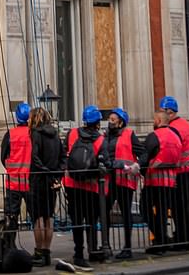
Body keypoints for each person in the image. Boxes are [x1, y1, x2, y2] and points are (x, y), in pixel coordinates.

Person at [63, 104, 107, 265]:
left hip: (72, 185)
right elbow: (105, 163)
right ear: (97, 123)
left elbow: (64, 154)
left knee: (76, 221)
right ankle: (93, 250)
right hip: (91, 186)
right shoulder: (100, 139)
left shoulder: (72, 133)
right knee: (91, 220)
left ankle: (78, 253)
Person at [159, 96, 189, 249]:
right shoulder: (184, 124)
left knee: (181, 208)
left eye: (162, 112)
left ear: (169, 112)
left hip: (183, 171)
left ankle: (184, 239)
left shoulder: (174, 128)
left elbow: (173, 150)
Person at [139, 106, 181, 252]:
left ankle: (160, 238)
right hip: (171, 180)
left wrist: (138, 168)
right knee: (163, 211)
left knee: (144, 208)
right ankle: (162, 240)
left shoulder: (154, 136)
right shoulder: (176, 136)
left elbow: (145, 157)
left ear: (157, 120)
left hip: (154, 180)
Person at [28, 105, 62, 267]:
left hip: (39, 179)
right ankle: (47, 253)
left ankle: (39, 252)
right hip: (52, 180)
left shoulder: (36, 134)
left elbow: (35, 158)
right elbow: (63, 157)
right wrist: (57, 176)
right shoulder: (55, 135)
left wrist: (46, 172)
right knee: (49, 217)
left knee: (38, 218)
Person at [104, 108, 137, 260]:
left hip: (124, 179)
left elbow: (141, 152)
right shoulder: (105, 136)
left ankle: (127, 247)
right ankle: (106, 246)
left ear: (120, 122)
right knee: (104, 212)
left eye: (112, 119)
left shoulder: (130, 135)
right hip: (109, 180)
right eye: (109, 119)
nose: (109, 122)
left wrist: (137, 165)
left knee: (126, 213)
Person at [1, 103, 34, 242]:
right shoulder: (34, 134)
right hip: (31, 182)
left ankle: (9, 244)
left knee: (11, 215)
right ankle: (41, 249)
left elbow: (3, 157)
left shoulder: (10, 134)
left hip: (13, 182)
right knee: (36, 215)